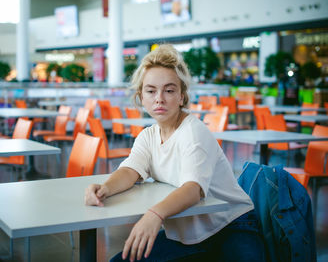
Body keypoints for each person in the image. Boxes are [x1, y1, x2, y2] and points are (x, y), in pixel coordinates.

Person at [85, 44, 265, 262]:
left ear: (181, 96)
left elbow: (193, 190)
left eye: (169, 90)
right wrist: (105, 188)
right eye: (151, 91)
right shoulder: (148, 136)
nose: (159, 98)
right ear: (141, 97)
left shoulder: (193, 132)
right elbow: (130, 171)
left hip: (232, 226)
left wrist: (154, 214)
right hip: (189, 234)